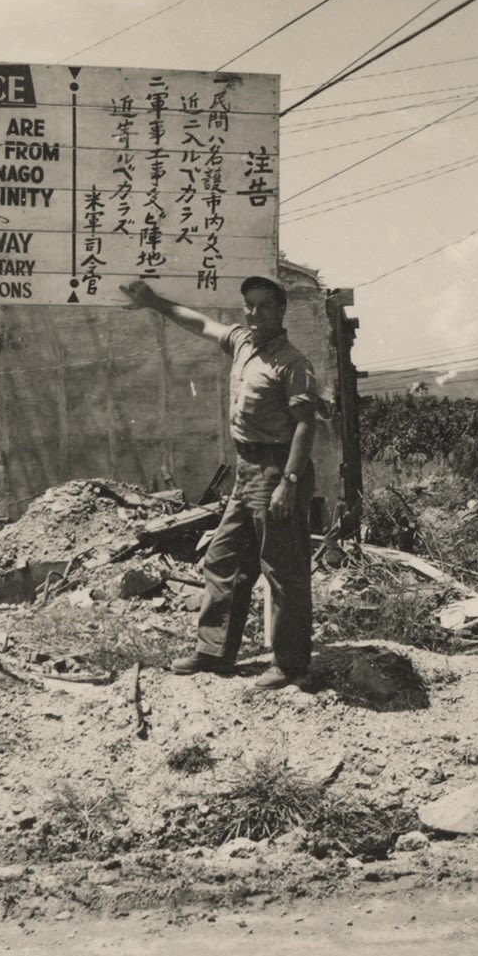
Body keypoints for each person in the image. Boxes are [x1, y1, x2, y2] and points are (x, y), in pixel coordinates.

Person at [120, 274, 318, 687]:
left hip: (277, 469)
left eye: (264, 305)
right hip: (247, 470)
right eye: (248, 305)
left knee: (282, 569)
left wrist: (289, 481)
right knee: (223, 559)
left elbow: (305, 426)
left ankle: (291, 664)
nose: (254, 312)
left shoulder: (292, 363)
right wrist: (155, 301)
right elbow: (200, 323)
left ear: (281, 311)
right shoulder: (243, 343)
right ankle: (214, 654)